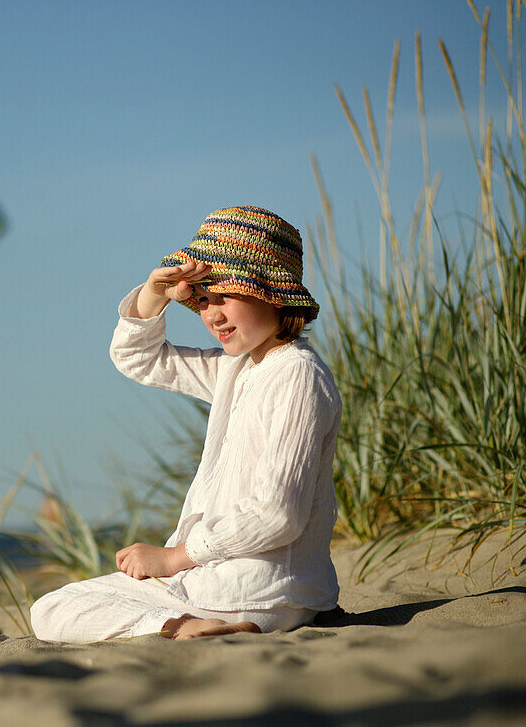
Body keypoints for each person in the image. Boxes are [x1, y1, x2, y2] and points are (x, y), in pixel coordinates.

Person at [30, 205, 342, 642]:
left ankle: (181, 626)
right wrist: (155, 292)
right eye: (204, 300)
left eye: (226, 296)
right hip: (260, 592)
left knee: (52, 609)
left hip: (254, 588)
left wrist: (173, 558)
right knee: (54, 606)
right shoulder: (241, 370)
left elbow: (278, 514)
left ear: (274, 293)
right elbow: (139, 359)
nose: (212, 315)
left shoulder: (297, 373)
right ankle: (203, 624)